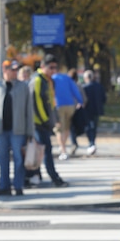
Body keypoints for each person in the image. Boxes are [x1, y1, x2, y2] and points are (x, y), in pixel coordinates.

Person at [0, 59, 33, 196]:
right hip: (0, 129)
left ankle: (18, 185)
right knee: (2, 158)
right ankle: (4, 185)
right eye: (12, 69)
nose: (15, 72)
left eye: (16, 70)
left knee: (18, 158)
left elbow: (29, 110)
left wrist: (30, 131)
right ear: (5, 70)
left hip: (18, 129)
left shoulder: (23, 87)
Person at [29, 54, 69, 188]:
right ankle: (52, 178)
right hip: (38, 122)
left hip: (44, 122)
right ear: (43, 66)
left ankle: (36, 176)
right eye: (51, 67)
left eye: (55, 68)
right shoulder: (38, 80)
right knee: (45, 150)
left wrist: (54, 118)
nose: (54, 70)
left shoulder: (48, 80)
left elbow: (50, 102)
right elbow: (36, 102)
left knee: (41, 150)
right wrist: (45, 120)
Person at [52, 71, 84, 160]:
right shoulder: (67, 78)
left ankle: (63, 150)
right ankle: (63, 145)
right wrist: (80, 101)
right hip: (70, 105)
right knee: (66, 127)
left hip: (58, 105)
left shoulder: (52, 78)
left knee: (59, 129)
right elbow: (75, 90)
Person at [83, 70, 107, 155]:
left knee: (88, 127)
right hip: (97, 110)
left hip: (87, 110)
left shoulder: (84, 87)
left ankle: (91, 142)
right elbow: (104, 98)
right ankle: (92, 142)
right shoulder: (99, 86)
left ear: (86, 78)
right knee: (94, 127)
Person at [68, 68, 88, 155]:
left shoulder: (67, 86)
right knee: (75, 126)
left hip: (69, 107)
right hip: (77, 108)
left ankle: (73, 142)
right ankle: (74, 140)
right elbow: (84, 98)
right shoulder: (79, 85)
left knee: (71, 127)